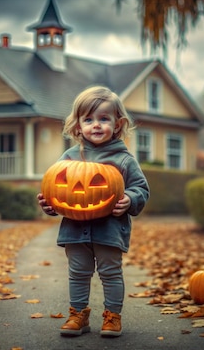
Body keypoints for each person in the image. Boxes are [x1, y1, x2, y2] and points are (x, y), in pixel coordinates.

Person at [37, 85, 150, 337]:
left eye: (103, 119)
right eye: (88, 119)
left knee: (110, 272)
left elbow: (141, 188)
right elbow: (58, 191)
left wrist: (130, 199)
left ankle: (112, 316)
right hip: (75, 231)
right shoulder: (68, 158)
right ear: (77, 125)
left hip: (110, 231)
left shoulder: (124, 160)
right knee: (77, 272)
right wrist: (50, 206)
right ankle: (78, 314)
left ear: (118, 124)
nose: (95, 125)